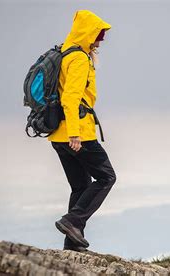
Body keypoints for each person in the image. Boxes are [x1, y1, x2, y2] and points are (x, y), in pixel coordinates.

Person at [48, 10, 116, 252]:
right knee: (107, 177)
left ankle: (72, 242)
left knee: (80, 186)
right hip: (77, 133)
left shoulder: (65, 53)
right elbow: (70, 97)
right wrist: (75, 134)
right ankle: (72, 221)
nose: (103, 38)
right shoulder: (77, 59)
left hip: (57, 134)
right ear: (88, 32)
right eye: (100, 32)